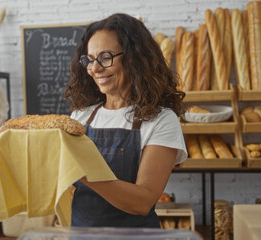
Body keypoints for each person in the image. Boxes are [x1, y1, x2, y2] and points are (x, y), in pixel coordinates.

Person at [63, 13, 188, 228]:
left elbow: (143, 201)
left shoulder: (161, 120)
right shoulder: (80, 116)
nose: (95, 69)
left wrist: (81, 172)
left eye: (105, 57)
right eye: (90, 59)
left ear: (134, 58)